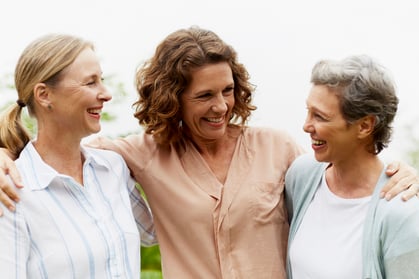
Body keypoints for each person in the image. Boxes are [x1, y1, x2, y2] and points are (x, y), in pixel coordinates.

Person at [0, 27, 418, 279]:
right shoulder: (139, 155)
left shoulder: (281, 150)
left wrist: (401, 171)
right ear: (173, 99)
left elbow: (344, 178)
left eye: (228, 91)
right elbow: (58, 150)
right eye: (203, 96)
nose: (220, 106)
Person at [0, 34, 156, 278]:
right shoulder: (11, 192)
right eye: (90, 82)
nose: (106, 94)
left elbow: (154, 232)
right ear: (44, 95)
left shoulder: (114, 167)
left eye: (101, 80)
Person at [285, 55, 419, 278]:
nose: (306, 126)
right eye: (308, 111)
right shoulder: (301, 176)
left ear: (365, 125)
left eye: (320, 116)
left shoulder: (402, 212)